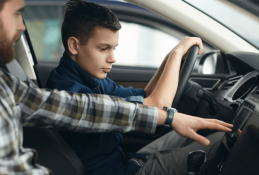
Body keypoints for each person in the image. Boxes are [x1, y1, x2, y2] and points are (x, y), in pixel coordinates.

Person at [0, 0, 233, 174]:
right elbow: (156, 105)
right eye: (104, 48)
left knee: (207, 133)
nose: (112, 58)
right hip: (118, 171)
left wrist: (172, 57)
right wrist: (176, 55)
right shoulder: (67, 87)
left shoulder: (94, 81)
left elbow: (146, 97)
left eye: (114, 48)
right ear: (74, 45)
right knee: (219, 145)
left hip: (125, 161)